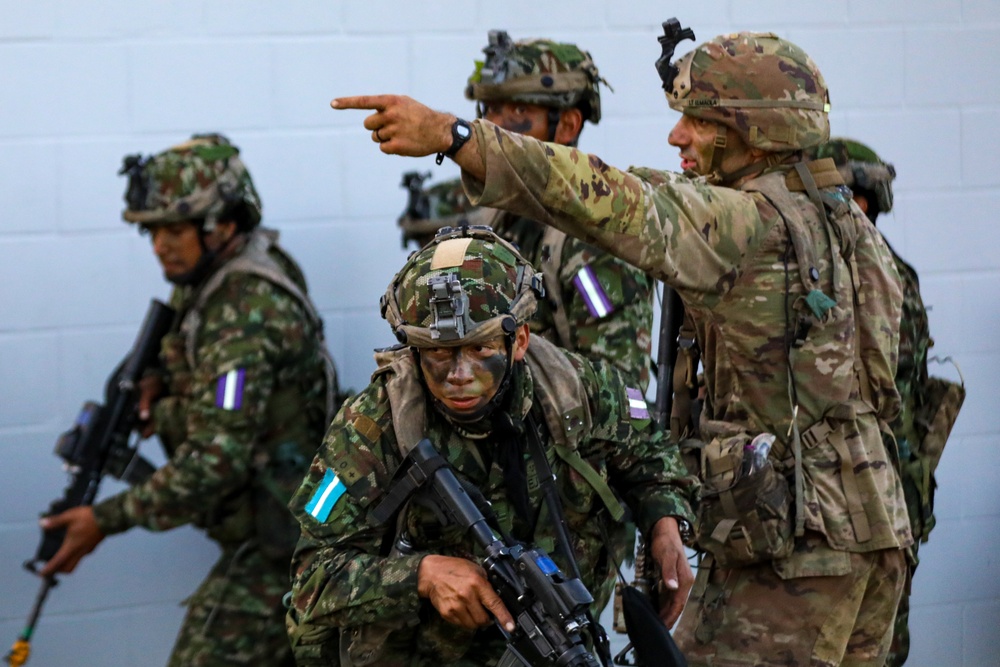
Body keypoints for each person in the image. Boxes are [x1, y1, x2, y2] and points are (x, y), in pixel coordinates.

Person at [331, 25, 913, 667]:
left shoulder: (744, 225)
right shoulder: (844, 223)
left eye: (696, 120)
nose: (677, 136)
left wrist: (456, 136)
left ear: (751, 131)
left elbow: (607, 197)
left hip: (796, 550)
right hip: (875, 526)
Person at [286, 225, 697, 665]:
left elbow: (652, 457)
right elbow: (310, 580)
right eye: (439, 353)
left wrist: (665, 525)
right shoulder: (371, 427)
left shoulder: (582, 393)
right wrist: (421, 575)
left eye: (480, 348)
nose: (459, 374)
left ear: (518, 340)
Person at [38, 133, 338, 666]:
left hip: (295, 542)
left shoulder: (244, 311)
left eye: (174, 230)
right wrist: (162, 382)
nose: (160, 245)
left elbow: (215, 460)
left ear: (223, 224)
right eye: (152, 231)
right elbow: (199, 364)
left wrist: (104, 519)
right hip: (281, 523)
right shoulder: (217, 274)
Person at [397, 31, 656, 392]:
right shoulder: (496, 217)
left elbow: (619, 392)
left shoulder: (591, 242)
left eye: (519, 111)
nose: (493, 127)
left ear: (567, 125)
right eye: (490, 111)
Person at [811, 137, 965, 667]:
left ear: (862, 203)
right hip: (865, 497)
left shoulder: (877, 278)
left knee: (872, 648)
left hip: (876, 499)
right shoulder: (846, 272)